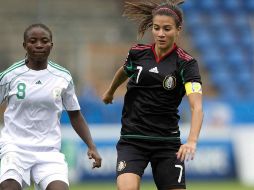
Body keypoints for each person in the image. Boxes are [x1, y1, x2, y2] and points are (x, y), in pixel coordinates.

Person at [102, 0, 203, 189]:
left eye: (167, 29)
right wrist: (110, 92)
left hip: (167, 143)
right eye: (156, 28)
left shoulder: (186, 63)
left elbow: (196, 106)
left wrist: (192, 141)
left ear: (178, 29)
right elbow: (123, 71)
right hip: (132, 140)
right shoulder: (137, 53)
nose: (161, 34)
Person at [0, 23, 102, 190]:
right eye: (33, 41)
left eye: (44, 40)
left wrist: (91, 146)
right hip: (14, 148)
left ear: (51, 45)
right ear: (25, 45)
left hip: (48, 152)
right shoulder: (9, 76)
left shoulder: (62, 76)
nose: (39, 45)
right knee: (9, 187)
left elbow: (75, 115)